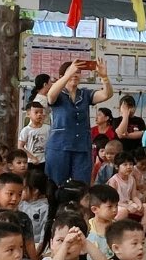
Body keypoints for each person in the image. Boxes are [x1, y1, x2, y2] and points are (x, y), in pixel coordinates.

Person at [45, 58, 114, 187]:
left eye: (78, 72)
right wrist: (68, 75)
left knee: (81, 185)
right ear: (62, 76)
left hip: (82, 146)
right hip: (59, 147)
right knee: (56, 185)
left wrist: (104, 77)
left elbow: (107, 95)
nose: (75, 74)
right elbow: (50, 96)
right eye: (73, 71)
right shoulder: (58, 93)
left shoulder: (85, 94)